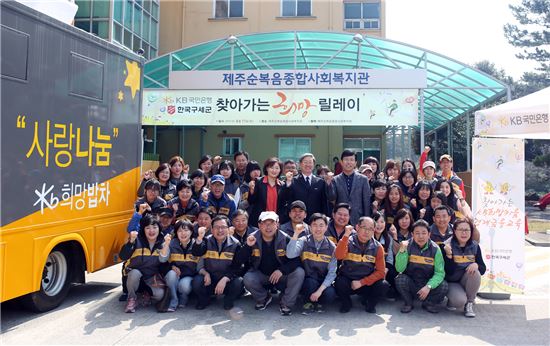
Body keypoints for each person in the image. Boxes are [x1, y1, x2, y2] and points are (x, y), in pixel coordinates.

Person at [240, 211, 305, 316]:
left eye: (272, 223)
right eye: (265, 223)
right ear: (259, 225)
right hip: (261, 274)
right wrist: (247, 246)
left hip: (281, 276)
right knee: (248, 278)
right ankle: (264, 298)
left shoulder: (285, 238)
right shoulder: (252, 238)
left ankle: (286, 303)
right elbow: (239, 260)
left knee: (299, 272)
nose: (268, 227)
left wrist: (281, 270)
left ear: (277, 225)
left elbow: (296, 261)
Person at [119, 214, 171, 313]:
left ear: (159, 228)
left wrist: (166, 245)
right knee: (135, 273)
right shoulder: (137, 239)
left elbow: (163, 260)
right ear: (143, 229)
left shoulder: (163, 242)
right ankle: (132, 298)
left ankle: (146, 295)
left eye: (154, 227)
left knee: (160, 295)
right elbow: (123, 256)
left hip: (150, 277)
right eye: (148, 228)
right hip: (133, 276)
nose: (151, 231)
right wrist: (131, 242)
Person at [335, 217, 388, 313]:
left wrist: (362, 282)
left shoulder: (378, 247)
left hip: (366, 282)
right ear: (357, 227)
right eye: (364, 227)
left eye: (370, 229)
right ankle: (346, 303)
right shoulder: (348, 241)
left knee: (383, 285)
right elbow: (338, 255)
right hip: (349, 280)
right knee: (339, 282)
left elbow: (381, 272)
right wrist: (346, 236)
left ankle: (369, 303)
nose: (367, 231)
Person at [286, 213, 337, 314]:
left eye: (321, 225)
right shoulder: (303, 241)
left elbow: (332, 272)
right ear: (309, 227)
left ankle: (318, 302)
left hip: (323, 281)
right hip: (308, 279)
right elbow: (290, 254)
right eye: (314, 225)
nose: (318, 228)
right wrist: (296, 234)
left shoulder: (331, 247)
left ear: (326, 227)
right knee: (310, 283)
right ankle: (307, 302)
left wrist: (319, 291)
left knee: (330, 294)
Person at [191, 215, 244, 310]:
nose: (220, 230)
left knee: (238, 282)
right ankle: (204, 300)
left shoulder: (235, 244)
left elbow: (238, 266)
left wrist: (225, 278)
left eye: (223, 227)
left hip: (226, 280)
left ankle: (228, 300)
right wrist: (199, 237)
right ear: (212, 229)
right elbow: (196, 252)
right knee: (197, 281)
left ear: (228, 229)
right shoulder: (206, 240)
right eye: (216, 227)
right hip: (210, 279)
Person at [395, 220, 448, 313]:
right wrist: (402, 251)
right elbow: (400, 269)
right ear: (412, 234)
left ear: (429, 234)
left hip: (427, 282)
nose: (421, 236)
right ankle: (408, 303)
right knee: (399, 279)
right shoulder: (406, 246)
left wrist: (429, 286)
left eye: (424, 233)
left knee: (444, 286)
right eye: (417, 233)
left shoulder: (435, 249)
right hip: (412, 282)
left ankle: (429, 303)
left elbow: (439, 273)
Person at [443, 218, 486, 317]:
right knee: (459, 301)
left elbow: (483, 269)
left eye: (467, 230)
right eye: (461, 230)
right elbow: (448, 272)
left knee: (476, 272)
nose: (464, 233)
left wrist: (477, 265)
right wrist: (449, 255)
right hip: (452, 282)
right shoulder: (447, 245)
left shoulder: (475, 246)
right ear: (454, 231)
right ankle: (452, 300)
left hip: (466, 280)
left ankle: (469, 303)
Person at [327, 150, 372, 225]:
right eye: (346, 160)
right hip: (341, 219)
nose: (349, 162)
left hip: (358, 218)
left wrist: (366, 220)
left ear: (355, 163)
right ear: (341, 162)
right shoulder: (335, 179)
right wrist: (329, 184)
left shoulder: (363, 179)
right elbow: (332, 198)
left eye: (351, 160)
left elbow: (366, 202)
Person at [280, 153, 329, 220]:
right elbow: (285, 198)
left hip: (315, 220)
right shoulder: (293, 180)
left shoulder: (320, 182)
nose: (308, 165)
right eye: (305, 162)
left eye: (310, 162)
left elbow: (324, 203)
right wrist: (288, 182)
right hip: (297, 219)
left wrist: (324, 217)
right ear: (300, 164)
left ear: (313, 165)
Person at [164, 220, 199, 311]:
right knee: (171, 274)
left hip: (189, 275)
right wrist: (172, 266)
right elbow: (163, 261)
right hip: (176, 274)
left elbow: (200, 265)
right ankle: (174, 299)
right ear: (176, 233)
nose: (183, 233)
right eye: (180, 231)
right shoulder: (171, 244)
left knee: (184, 286)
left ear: (191, 232)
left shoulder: (197, 245)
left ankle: (183, 297)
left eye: (186, 230)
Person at [248, 157, 284, 227]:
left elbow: (282, 206)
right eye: (271, 167)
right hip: (260, 221)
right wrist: (251, 191)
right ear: (267, 168)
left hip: (275, 221)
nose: (274, 170)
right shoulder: (258, 182)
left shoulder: (282, 185)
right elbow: (251, 201)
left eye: (277, 168)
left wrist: (280, 220)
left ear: (280, 170)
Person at [372, 211, 398, 299]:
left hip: (384, 265)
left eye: (382, 222)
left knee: (393, 273)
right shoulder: (367, 237)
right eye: (376, 222)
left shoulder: (388, 238)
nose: (379, 225)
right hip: (370, 266)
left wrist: (385, 268)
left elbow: (389, 258)